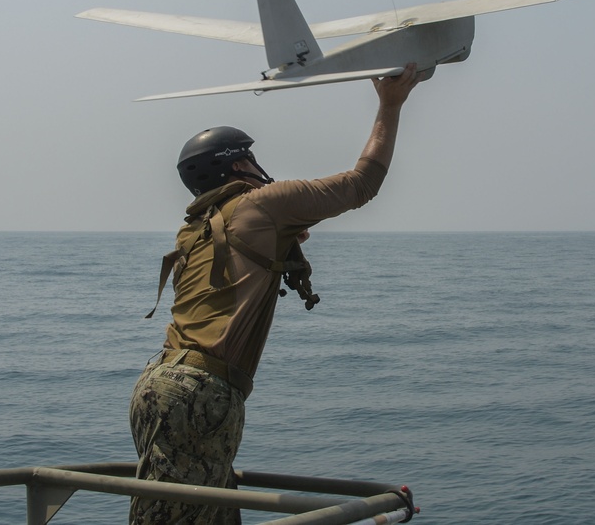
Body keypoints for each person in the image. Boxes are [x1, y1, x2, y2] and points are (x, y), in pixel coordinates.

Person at [128, 64, 421, 524]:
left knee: (202, 514)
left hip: (158, 383)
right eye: (247, 158)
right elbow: (363, 183)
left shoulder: (196, 227)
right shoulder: (262, 203)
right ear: (237, 166)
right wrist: (390, 105)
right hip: (201, 391)